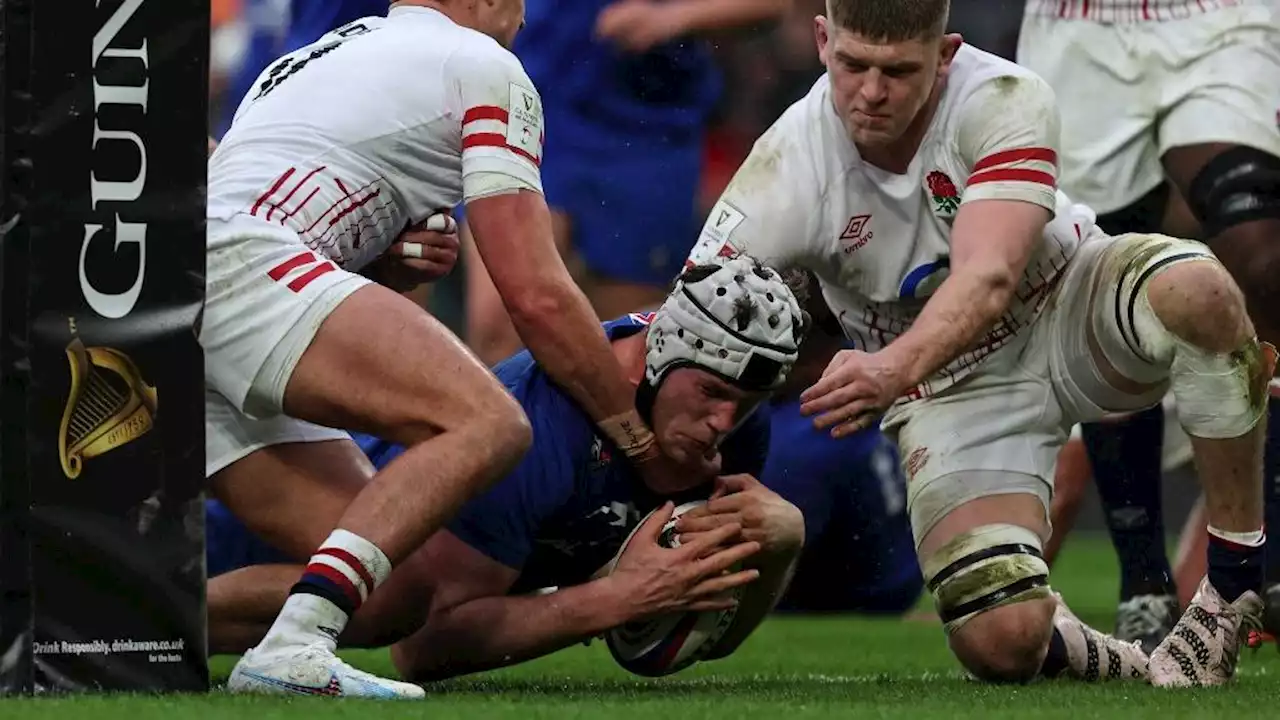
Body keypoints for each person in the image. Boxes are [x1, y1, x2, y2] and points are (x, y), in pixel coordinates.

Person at [685, 0, 1275, 687]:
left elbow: (989, 275)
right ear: (822, 40)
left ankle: (1230, 589)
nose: (872, 91)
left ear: (945, 54)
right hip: (950, 388)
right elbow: (690, 324)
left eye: (898, 71)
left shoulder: (1003, 93)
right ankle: (1134, 662)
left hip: (1064, 302)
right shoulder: (784, 168)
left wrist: (886, 370)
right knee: (1001, 643)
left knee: (1201, 293)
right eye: (854, 65)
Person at [206, 0, 694, 699]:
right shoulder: (487, 67)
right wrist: (638, 443)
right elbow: (535, 294)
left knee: (396, 591)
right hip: (247, 270)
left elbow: (277, 191)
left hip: (190, 295)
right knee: (488, 422)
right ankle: (294, 646)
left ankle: (145, 630)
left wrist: (385, 258)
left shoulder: (311, 55)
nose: (525, 20)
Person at [205, 258, 816, 679]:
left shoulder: (731, 417)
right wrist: (610, 599)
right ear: (659, 354)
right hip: (249, 537)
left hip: (344, 533)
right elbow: (421, 646)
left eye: (744, 406)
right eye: (710, 394)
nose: (722, 423)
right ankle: (152, 611)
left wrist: (782, 546)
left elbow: (681, 642)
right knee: (389, 600)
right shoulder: (541, 424)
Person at [1016, 0, 1280, 650]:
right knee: (1096, 287)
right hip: (1076, 27)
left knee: (1263, 256)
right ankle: (1144, 585)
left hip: (1216, 16)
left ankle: (1265, 565)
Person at [463, 0, 794, 364]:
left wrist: (672, 18)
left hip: (646, 130)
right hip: (541, 98)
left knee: (621, 346)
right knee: (499, 324)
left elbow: (774, 5)